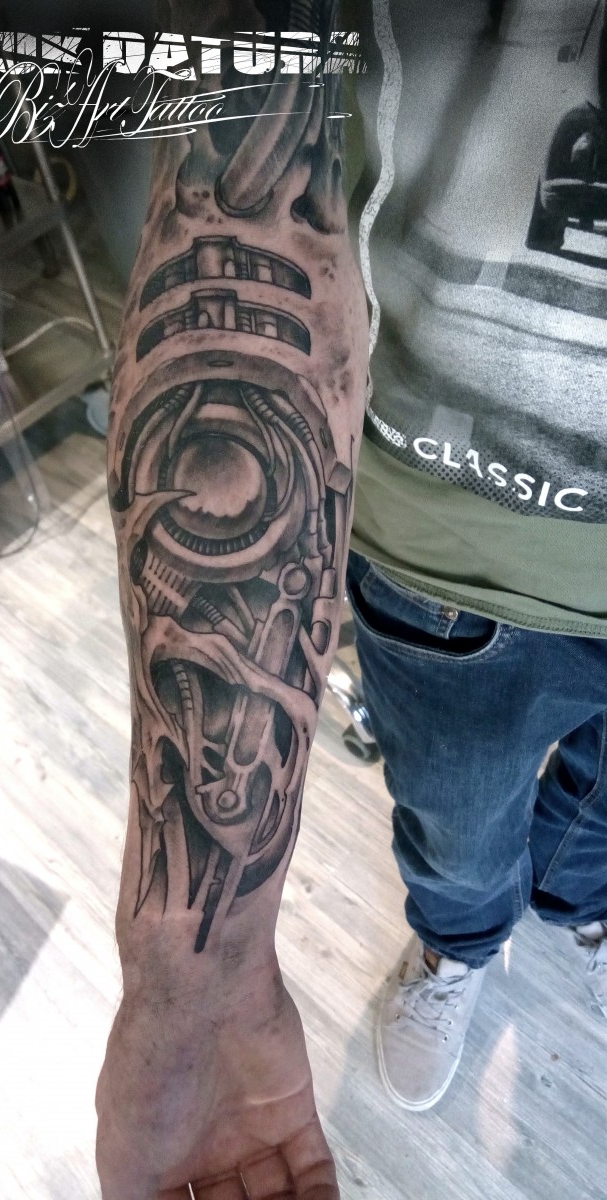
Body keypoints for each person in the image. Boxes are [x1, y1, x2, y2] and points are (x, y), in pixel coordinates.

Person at [95, 1, 607, 1196]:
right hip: (455, 565)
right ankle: (461, 945)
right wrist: (197, 972)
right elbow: (235, 217)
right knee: (459, 833)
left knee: (595, 815)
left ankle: (579, 900)